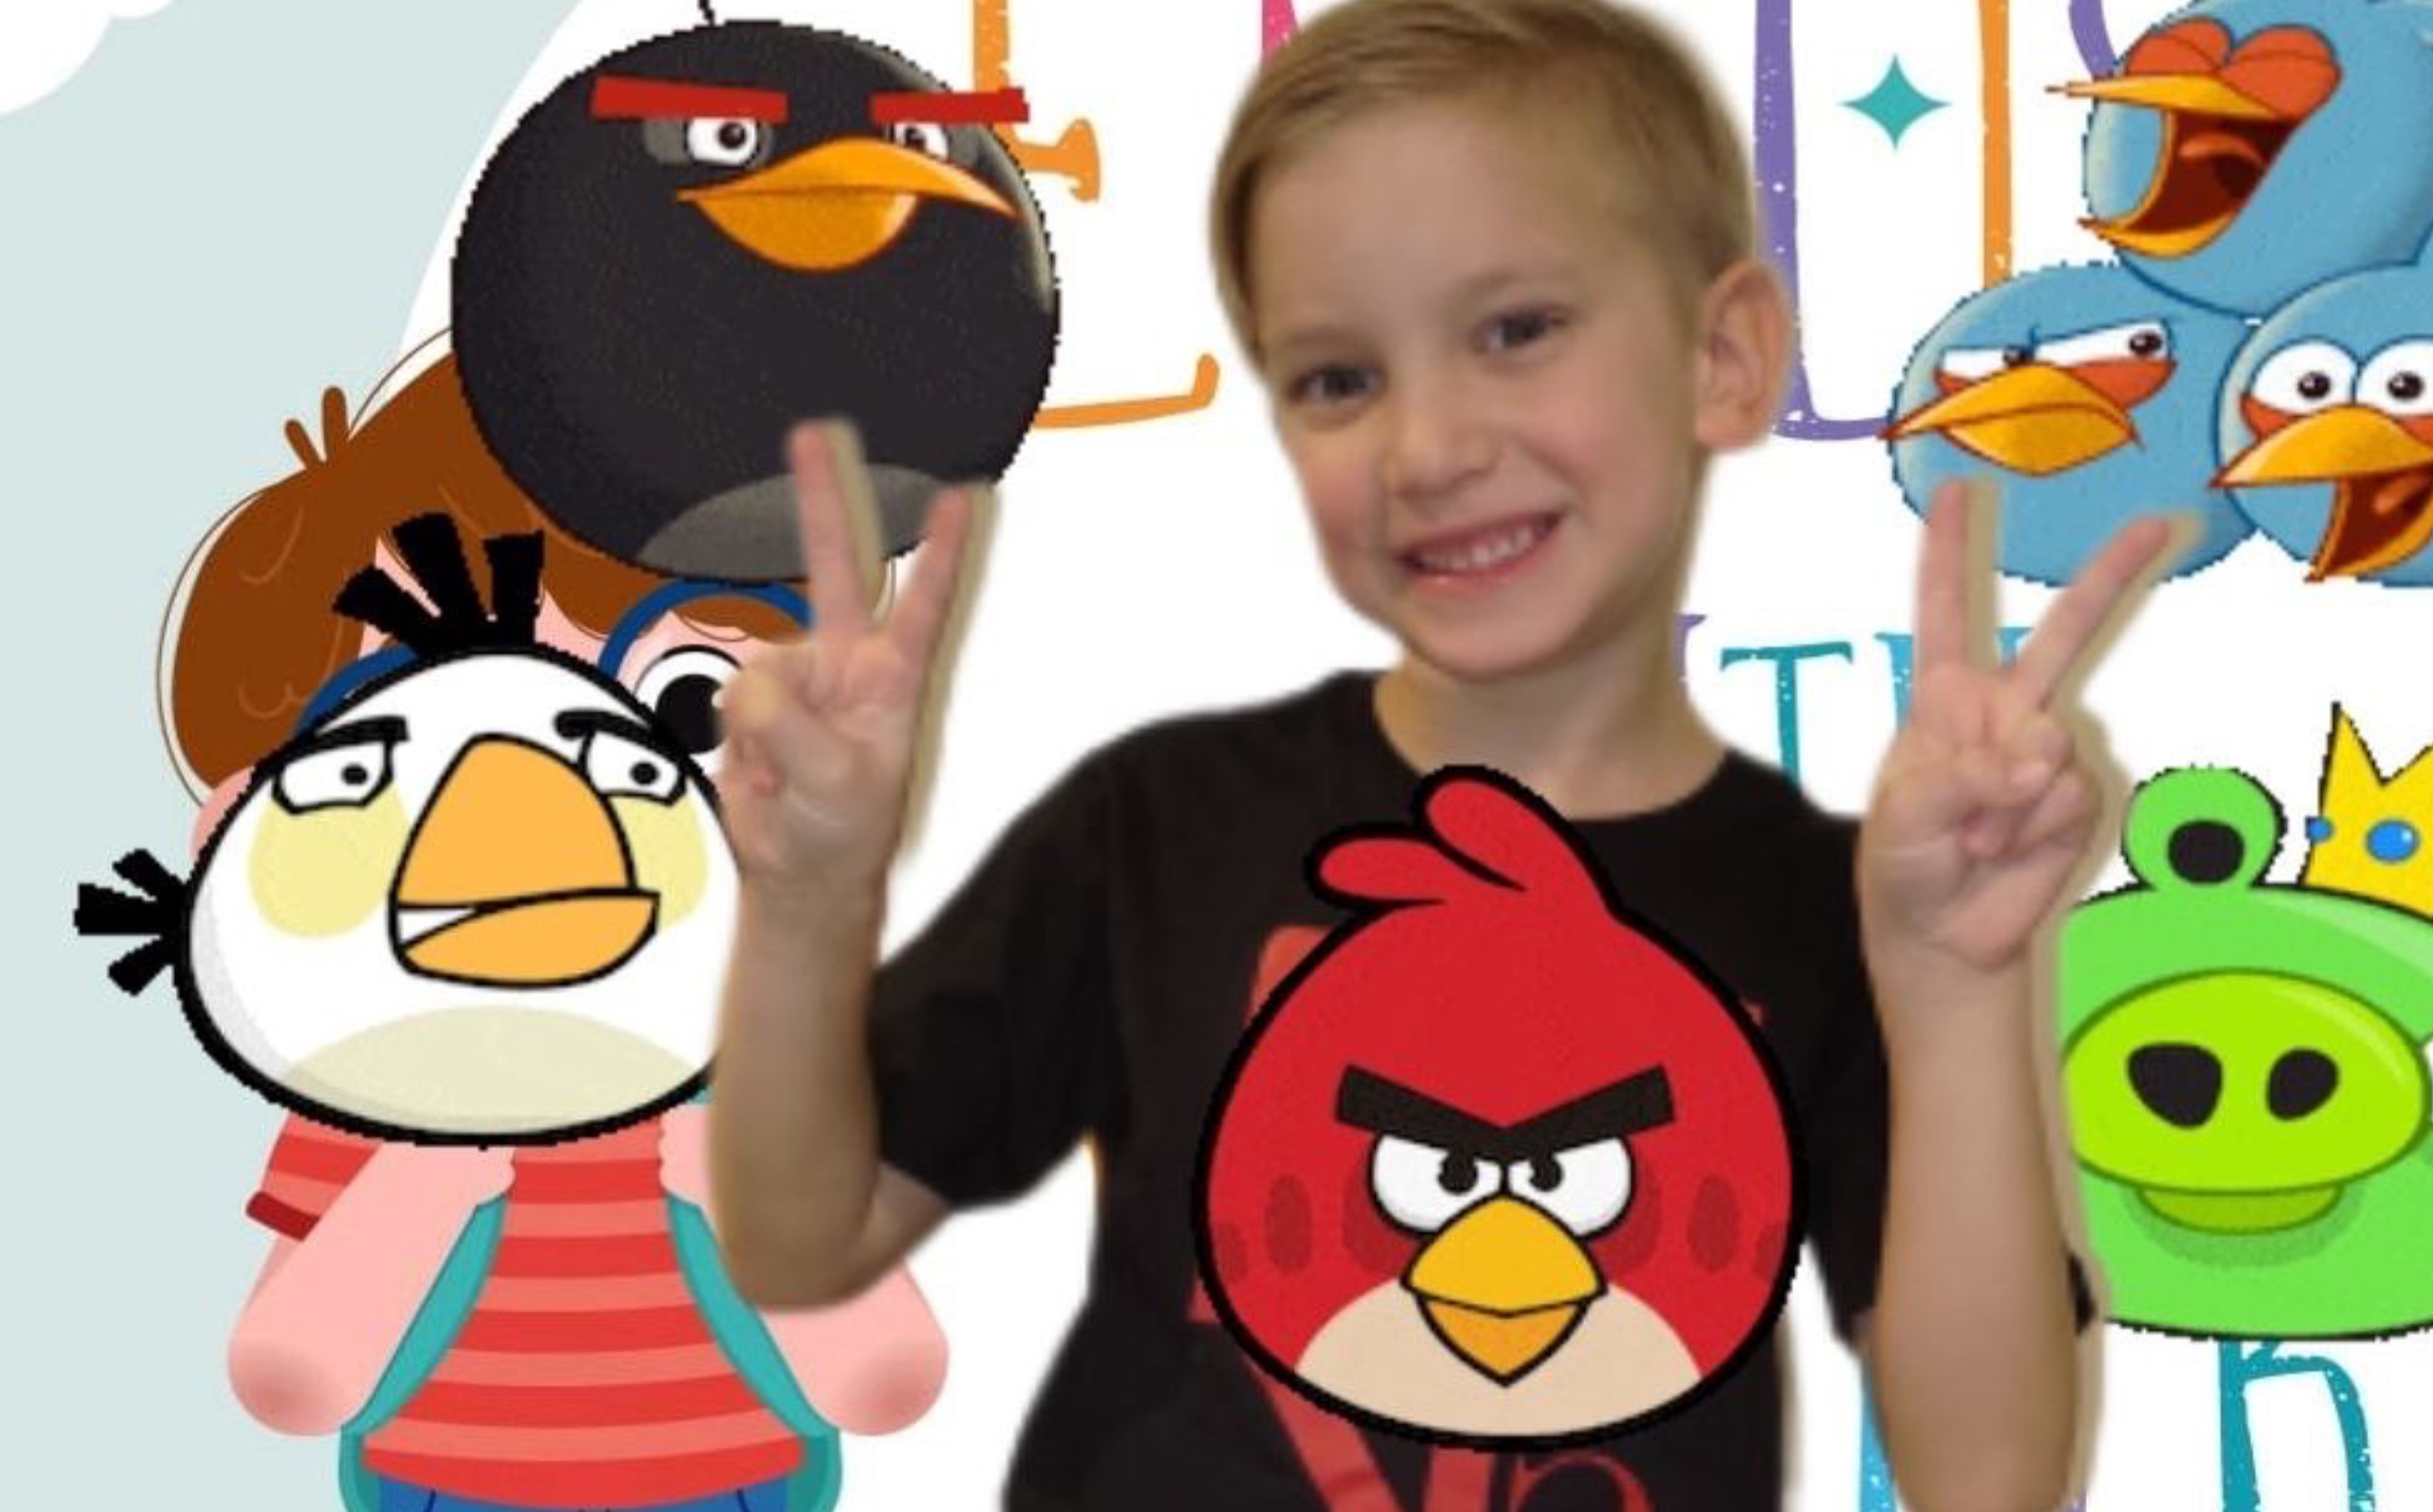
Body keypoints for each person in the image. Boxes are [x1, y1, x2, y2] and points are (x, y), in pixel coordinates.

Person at [705, 1, 2172, 1508]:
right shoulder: (1155, 823)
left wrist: (1957, 987)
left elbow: (1989, 1478)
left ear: (1724, 356)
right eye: (1339, 379)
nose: (1427, 449)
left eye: (1516, 330)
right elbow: (798, 1242)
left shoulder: (1844, 906)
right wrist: (810, 898)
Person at [168, 352, 948, 1512]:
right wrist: (418, 1190)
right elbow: (292, 1380)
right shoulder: (373, 1087)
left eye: (684, 708)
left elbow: (887, 1380)